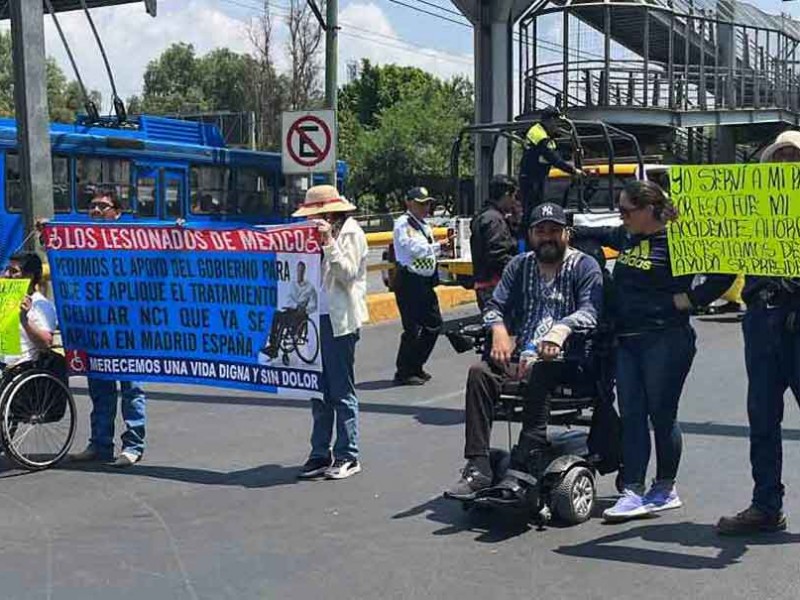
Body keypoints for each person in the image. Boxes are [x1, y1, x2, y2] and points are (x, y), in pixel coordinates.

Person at [571, 180, 734, 522]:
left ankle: (664, 488)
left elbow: (726, 267)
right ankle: (632, 489)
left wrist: (692, 299)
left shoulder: (682, 240)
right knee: (631, 415)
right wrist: (568, 234)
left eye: (627, 211)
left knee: (661, 415)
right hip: (627, 340)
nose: (622, 217)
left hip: (665, 339)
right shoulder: (627, 237)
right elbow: (594, 235)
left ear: (649, 210)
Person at [444, 202, 603, 501]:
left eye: (554, 231)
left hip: (568, 360)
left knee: (542, 370)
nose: (547, 237)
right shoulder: (520, 265)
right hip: (521, 355)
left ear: (566, 234)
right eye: (540, 231)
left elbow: (591, 312)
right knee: (480, 372)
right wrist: (500, 331)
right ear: (530, 235)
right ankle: (478, 466)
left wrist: (558, 333)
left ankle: (525, 459)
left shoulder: (585, 266)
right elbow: (494, 305)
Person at [717, 130, 800, 535]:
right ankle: (766, 505)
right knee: (762, 420)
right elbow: (718, 257)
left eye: (794, 158)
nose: (787, 164)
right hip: (762, 324)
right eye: (780, 157)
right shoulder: (750, 213)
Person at [292, 185, 369, 480]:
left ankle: (348, 453)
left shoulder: (351, 233)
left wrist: (328, 243)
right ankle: (320, 453)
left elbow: (348, 273)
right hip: (314, 317)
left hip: (339, 321)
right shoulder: (311, 235)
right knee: (318, 391)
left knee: (341, 389)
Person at [71, 188, 149, 468]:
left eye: (103, 207)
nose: (95, 211)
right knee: (100, 390)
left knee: (131, 389)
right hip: (96, 328)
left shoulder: (133, 241)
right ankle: (100, 444)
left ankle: (133, 446)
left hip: (128, 328)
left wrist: (176, 233)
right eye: (91, 206)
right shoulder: (79, 243)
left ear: (118, 213)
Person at [392, 187, 446, 386]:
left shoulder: (422, 224)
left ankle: (416, 365)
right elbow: (411, 248)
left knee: (434, 324)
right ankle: (404, 371)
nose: (426, 207)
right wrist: (437, 247)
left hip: (423, 281)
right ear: (409, 203)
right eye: (421, 203)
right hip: (409, 281)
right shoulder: (403, 224)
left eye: (427, 203)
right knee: (413, 328)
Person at [518, 107, 585, 229]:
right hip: (531, 180)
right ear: (550, 120)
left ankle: (528, 242)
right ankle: (525, 245)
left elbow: (556, 154)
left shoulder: (545, 134)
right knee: (531, 216)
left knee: (533, 213)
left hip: (537, 179)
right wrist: (573, 171)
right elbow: (553, 158)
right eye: (557, 122)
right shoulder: (540, 136)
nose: (557, 126)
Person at [470, 175, 519, 310]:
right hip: (494, 286)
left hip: (485, 285)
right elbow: (498, 255)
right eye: (513, 196)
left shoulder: (484, 215)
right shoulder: (495, 220)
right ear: (506, 194)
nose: (514, 202)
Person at [0, 252, 57, 368]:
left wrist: (24, 320)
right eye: (7, 269)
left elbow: (46, 343)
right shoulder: (6, 298)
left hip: (19, 366)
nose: (7, 274)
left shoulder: (41, 304)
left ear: (29, 276)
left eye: (13, 271)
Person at [259, 261, 318, 363]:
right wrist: (295, 305)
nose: (299, 273)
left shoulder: (310, 287)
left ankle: (275, 348)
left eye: (301, 271)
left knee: (288, 319)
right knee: (276, 315)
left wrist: (305, 308)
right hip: (291, 310)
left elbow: (314, 305)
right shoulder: (293, 285)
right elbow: (289, 299)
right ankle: (273, 345)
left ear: (304, 271)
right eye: (298, 271)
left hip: (301, 314)